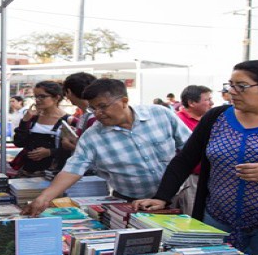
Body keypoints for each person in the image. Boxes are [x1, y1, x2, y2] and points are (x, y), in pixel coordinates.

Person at [133, 61, 258, 255]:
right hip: (215, 222)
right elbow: (185, 159)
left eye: (242, 86)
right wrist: (162, 197)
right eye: (230, 85)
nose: (232, 92)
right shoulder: (216, 117)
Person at [23, 79, 192, 215]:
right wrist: (44, 198)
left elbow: (190, 149)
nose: (97, 113)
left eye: (102, 106)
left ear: (124, 101)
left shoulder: (160, 115)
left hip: (178, 196)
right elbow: (73, 169)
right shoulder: (92, 136)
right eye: (93, 108)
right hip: (131, 203)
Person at [13, 81, 70, 176]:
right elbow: (19, 142)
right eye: (36, 96)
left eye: (42, 96)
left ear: (56, 97)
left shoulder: (68, 121)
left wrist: (50, 152)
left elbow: (72, 150)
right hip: (28, 171)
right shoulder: (32, 117)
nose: (38, 100)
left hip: (53, 173)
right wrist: (25, 121)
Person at [172, 85, 214, 215]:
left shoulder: (210, 121)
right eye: (207, 99)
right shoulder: (177, 121)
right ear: (191, 103)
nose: (211, 103)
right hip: (188, 178)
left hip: (205, 178)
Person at [61, 72, 97, 152]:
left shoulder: (92, 117)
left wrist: (71, 147)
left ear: (69, 92)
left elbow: (94, 152)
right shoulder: (89, 114)